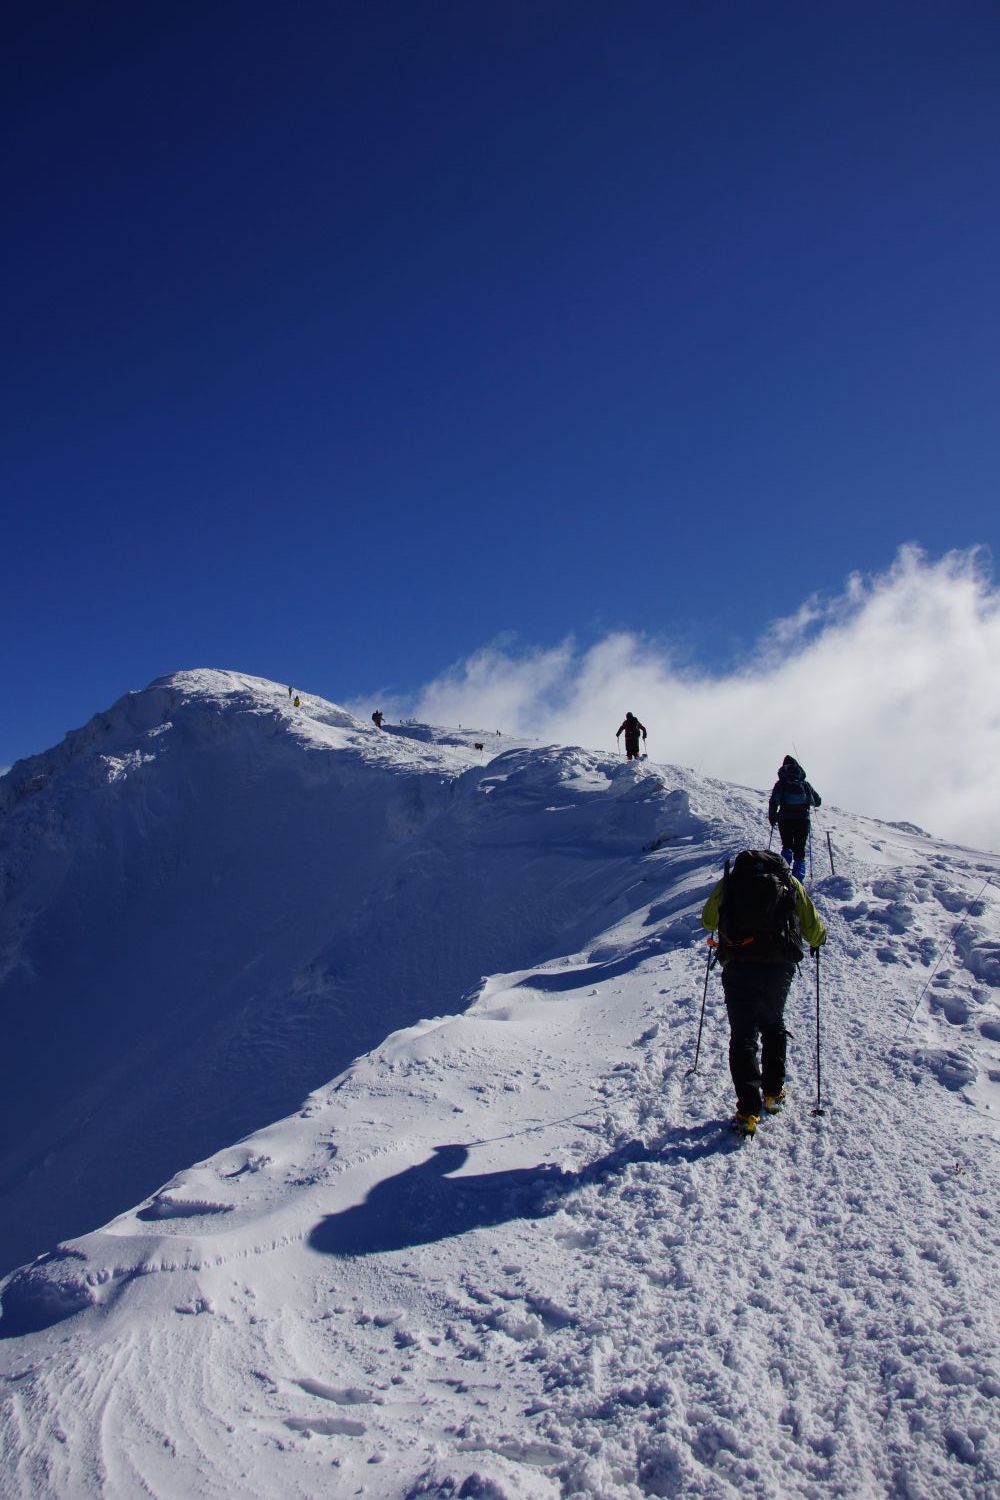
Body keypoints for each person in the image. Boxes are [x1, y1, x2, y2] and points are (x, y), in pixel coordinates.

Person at [701, 848, 827, 1135]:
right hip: (778, 965)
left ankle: (747, 1110)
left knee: (743, 1035)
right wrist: (819, 939)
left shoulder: (732, 880)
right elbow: (812, 927)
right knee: (772, 1023)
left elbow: (708, 920)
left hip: (738, 963)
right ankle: (772, 1092)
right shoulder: (788, 881)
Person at [767, 755, 821, 882]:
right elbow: (817, 801)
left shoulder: (781, 783)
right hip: (803, 820)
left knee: (787, 846)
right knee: (800, 850)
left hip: (785, 819)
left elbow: (773, 801)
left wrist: (772, 817)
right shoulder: (804, 784)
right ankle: (798, 880)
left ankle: (783, 874)